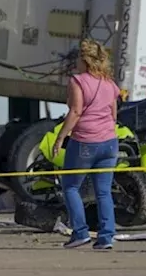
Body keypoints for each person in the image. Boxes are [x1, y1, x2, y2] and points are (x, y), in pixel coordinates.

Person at [51, 39, 120, 250]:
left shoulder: (78, 81)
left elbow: (76, 111)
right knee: (103, 192)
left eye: (77, 60)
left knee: (71, 186)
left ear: (85, 60)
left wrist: (61, 137)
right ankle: (106, 237)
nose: (75, 65)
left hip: (85, 141)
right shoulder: (110, 83)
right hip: (109, 142)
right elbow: (113, 114)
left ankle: (80, 232)